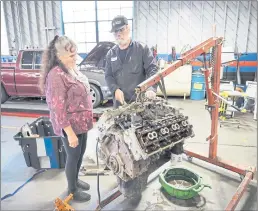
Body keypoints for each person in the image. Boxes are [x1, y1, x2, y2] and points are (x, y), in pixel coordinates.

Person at [39, 35, 93, 202]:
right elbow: (57, 108)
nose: (75, 58)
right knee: (73, 156)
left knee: (80, 153)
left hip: (81, 122)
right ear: (59, 56)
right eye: (71, 55)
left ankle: (75, 180)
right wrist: (69, 133)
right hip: (70, 125)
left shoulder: (70, 68)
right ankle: (72, 190)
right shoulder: (56, 75)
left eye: (75, 54)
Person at [104, 15, 158, 108]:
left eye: (121, 30)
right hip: (120, 105)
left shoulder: (142, 49)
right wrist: (115, 89)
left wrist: (151, 88)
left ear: (128, 28)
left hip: (140, 103)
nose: (118, 34)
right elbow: (108, 76)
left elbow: (152, 69)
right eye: (115, 31)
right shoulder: (111, 54)